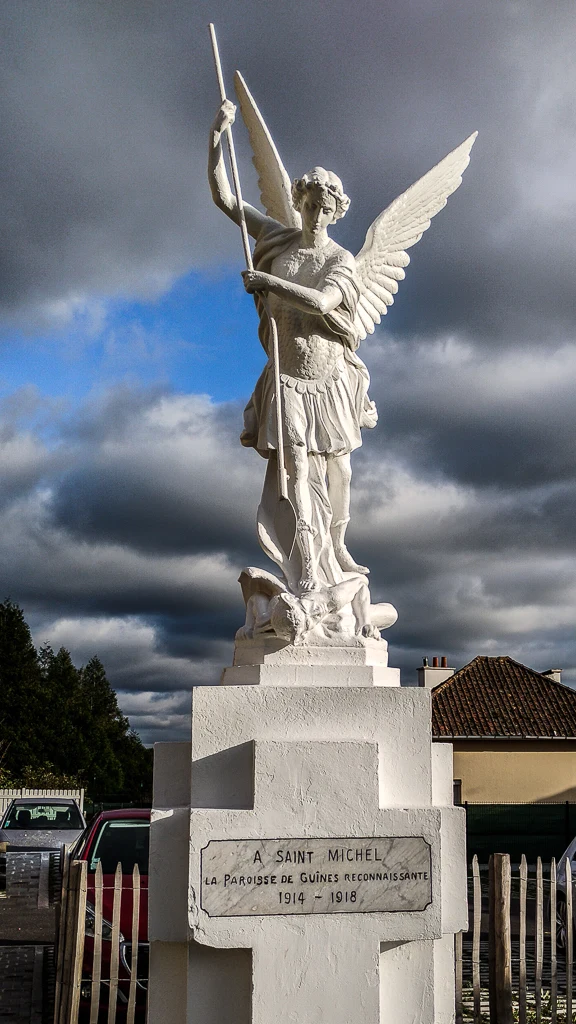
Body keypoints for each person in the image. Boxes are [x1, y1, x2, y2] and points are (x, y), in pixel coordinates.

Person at [209, 100, 377, 594]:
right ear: (299, 201)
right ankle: (306, 559)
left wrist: (268, 283)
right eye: (310, 203)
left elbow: (325, 304)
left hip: (329, 381)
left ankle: (337, 542)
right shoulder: (278, 240)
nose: (317, 214)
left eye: (327, 208)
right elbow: (226, 198)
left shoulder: (340, 259)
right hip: (285, 378)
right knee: (295, 466)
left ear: (335, 211)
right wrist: (217, 138)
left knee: (339, 469)